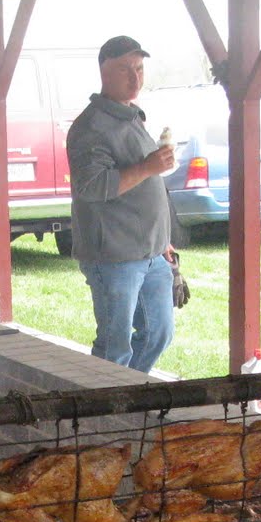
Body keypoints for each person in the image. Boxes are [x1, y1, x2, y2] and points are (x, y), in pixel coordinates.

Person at [66, 35, 179, 373]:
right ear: (104, 72)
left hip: (152, 253)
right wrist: (149, 167)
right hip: (113, 257)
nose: (135, 77)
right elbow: (93, 186)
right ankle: (101, 411)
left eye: (139, 68)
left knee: (159, 333)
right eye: (124, 69)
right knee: (115, 343)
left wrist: (163, 241)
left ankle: (130, 393)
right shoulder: (90, 127)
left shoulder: (131, 117)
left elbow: (145, 187)